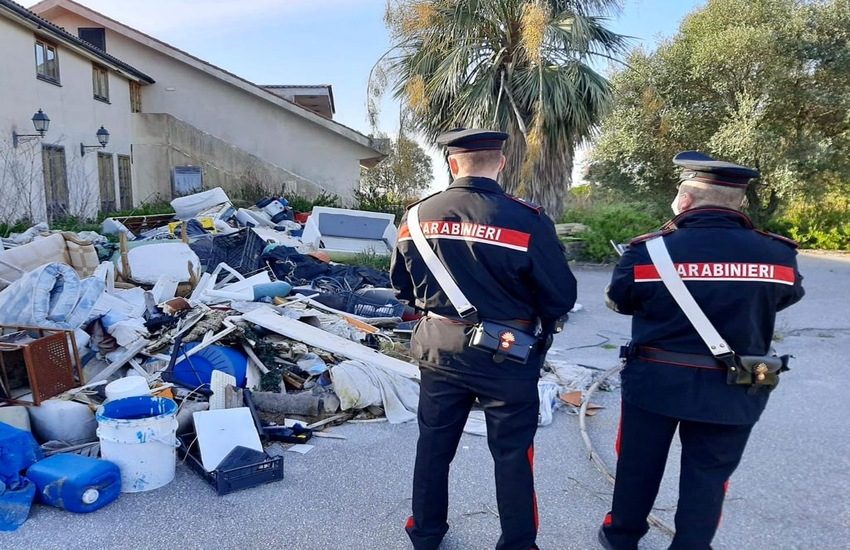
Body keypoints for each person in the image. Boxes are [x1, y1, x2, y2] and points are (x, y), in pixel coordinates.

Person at [598, 151, 805, 550]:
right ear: (740, 202)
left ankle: (621, 538)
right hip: (735, 385)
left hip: (655, 384)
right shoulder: (778, 254)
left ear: (686, 200)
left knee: (637, 468)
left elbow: (619, 300)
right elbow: (785, 297)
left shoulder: (649, 251)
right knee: (708, 478)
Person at [390, 128, 577, 550]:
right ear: (501, 164)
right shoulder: (527, 219)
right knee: (512, 454)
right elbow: (561, 296)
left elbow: (402, 288)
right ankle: (517, 543)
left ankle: (425, 534)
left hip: (439, 346)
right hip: (506, 353)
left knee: (434, 446)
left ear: (453, 164)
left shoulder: (416, 217)